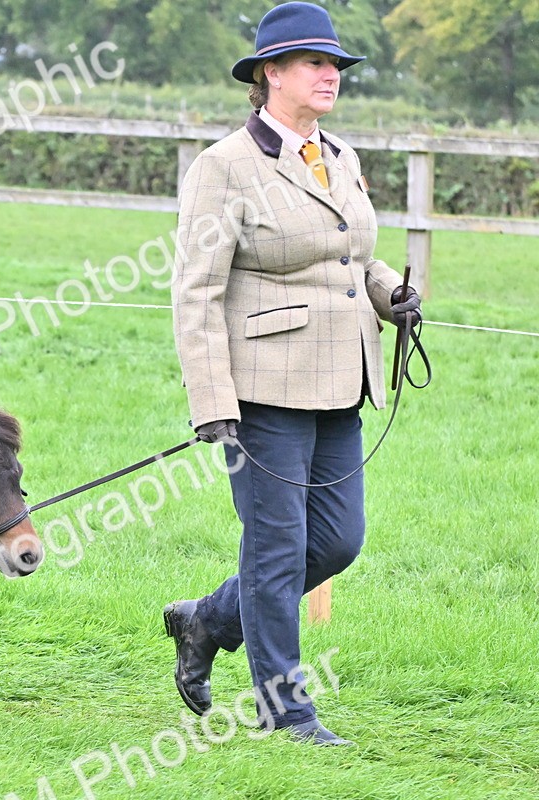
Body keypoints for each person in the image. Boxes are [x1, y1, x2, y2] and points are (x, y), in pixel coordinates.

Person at [165, 1, 422, 746]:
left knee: (338, 542)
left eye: (334, 64)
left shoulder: (339, 156)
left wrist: (388, 292)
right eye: (313, 63)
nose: (329, 75)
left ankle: (208, 620)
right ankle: (288, 711)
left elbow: (352, 257)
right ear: (269, 73)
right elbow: (196, 289)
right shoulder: (225, 167)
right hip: (261, 390)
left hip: (344, 380)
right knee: (275, 551)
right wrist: (211, 398)